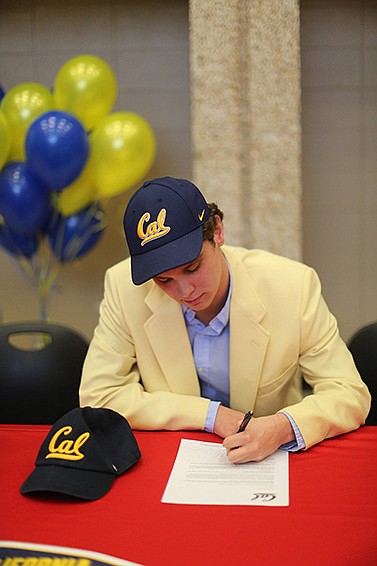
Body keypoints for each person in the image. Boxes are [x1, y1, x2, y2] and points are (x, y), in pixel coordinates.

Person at [79, 176, 371, 463]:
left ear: (217, 231)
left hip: (273, 459)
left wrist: (282, 426)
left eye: (193, 268)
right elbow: (99, 396)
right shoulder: (123, 287)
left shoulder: (293, 286)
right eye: (163, 279)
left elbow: (349, 393)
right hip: (171, 460)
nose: (184, 291)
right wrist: (211, 416)